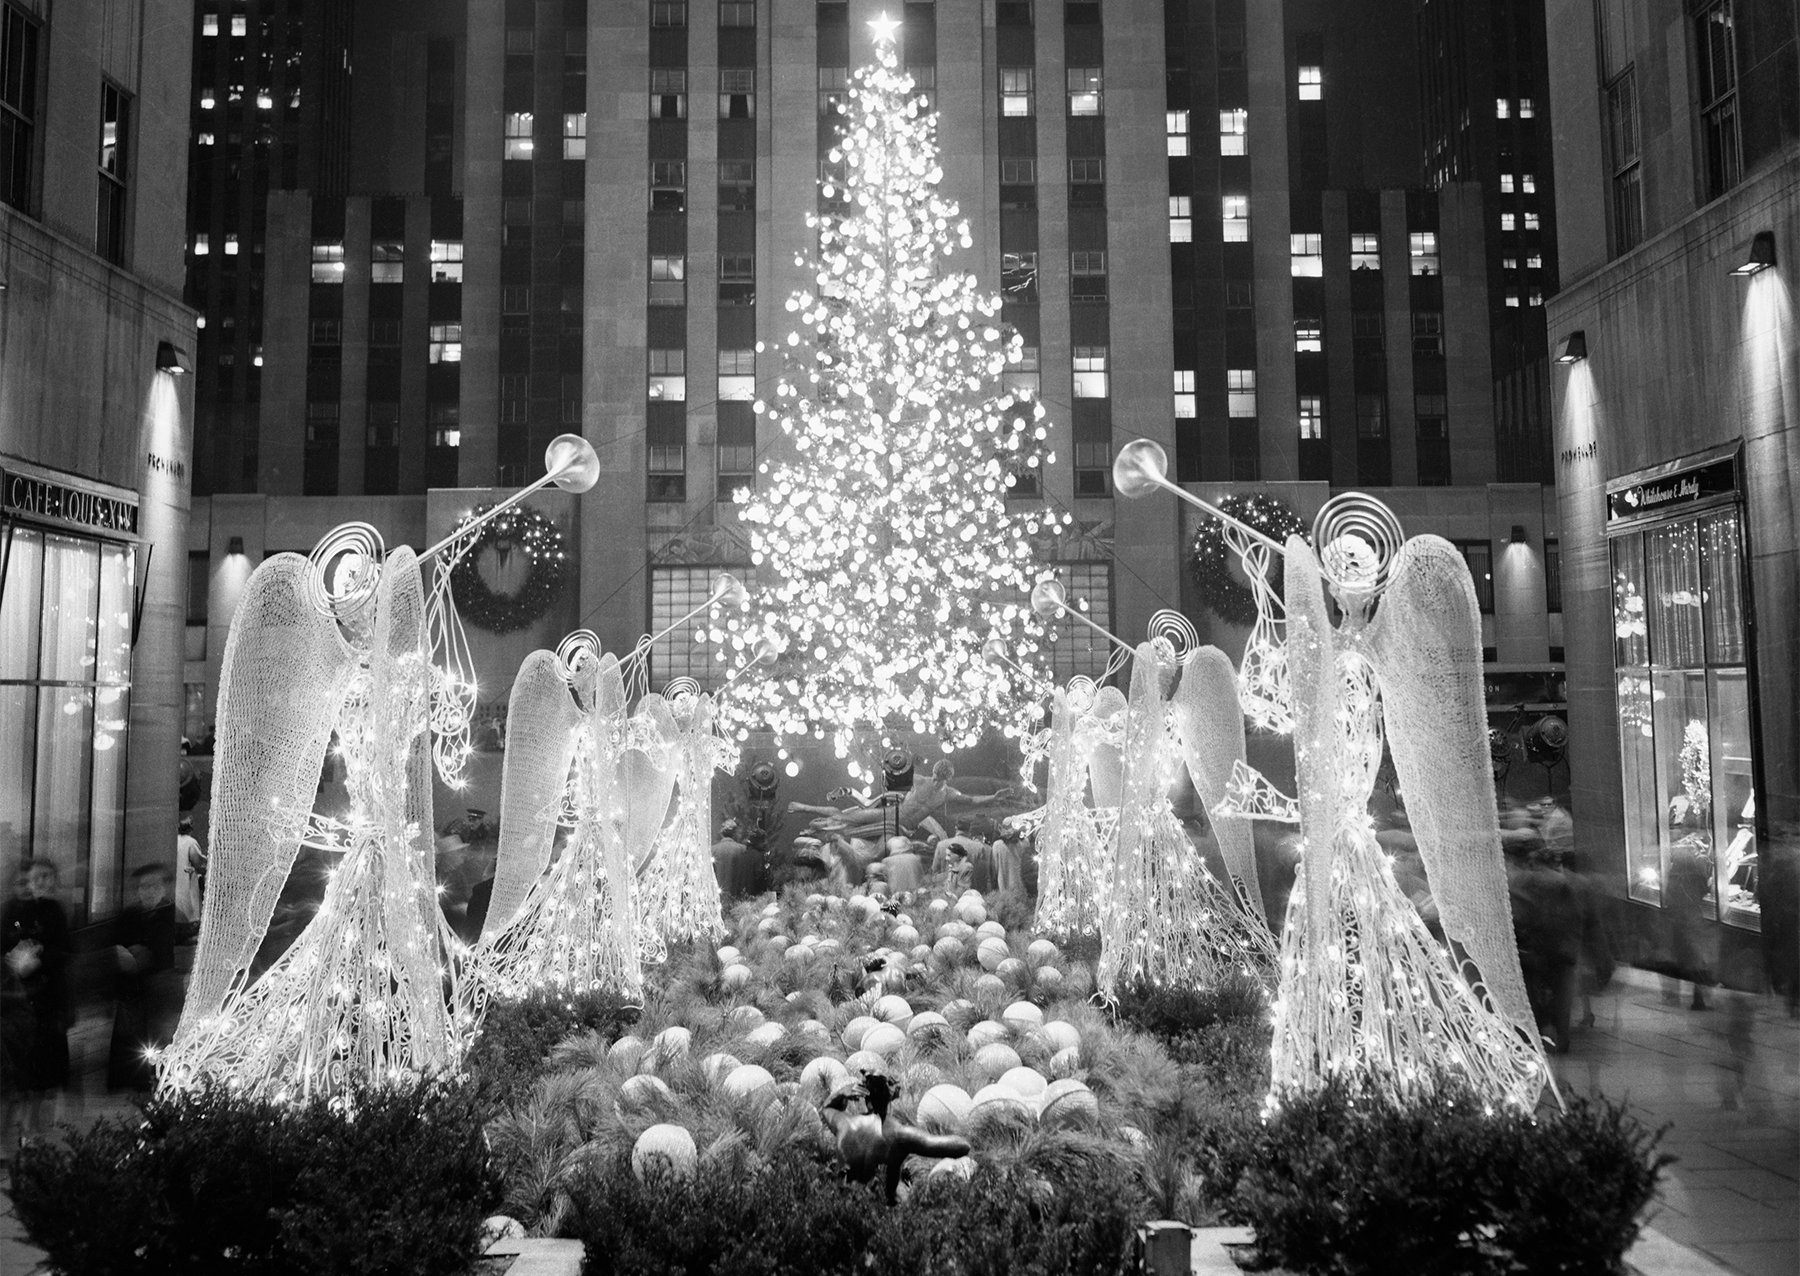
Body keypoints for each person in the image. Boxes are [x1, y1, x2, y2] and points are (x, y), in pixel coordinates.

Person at [2, 860, 71, 1141]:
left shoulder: (54, 911)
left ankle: (35, 1126)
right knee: (22, 1064)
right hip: (18, 999)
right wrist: (15, 958)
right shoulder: (15, 910)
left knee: (44, 1065)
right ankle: (22, 1127)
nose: (38, 883)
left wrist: (37, 961)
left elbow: (62, 950)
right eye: (34, 878)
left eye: (45, 877)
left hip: (46, 1000)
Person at [107, 865, 179, 1091]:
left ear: (164, 887)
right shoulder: (129, 915)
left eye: (153, 885)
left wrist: (143, 955)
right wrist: (124, 953)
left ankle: (156, 1079)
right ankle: (131, 1081)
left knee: (156, 1037)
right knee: (131, 1038)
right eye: (143, 886)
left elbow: (166, 950)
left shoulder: (170, 913)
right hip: (132, 986)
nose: (148, 891)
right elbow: (115, 943)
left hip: (158, 986)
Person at [711, 819, 754, 902]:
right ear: (734, 833)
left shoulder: (712, 850)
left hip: (717, 898)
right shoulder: (743, 850)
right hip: (737, 898)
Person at [175, 817, 205, 925]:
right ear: (190, 829)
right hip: (186, 877)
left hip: (176, 876)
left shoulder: (174, 840)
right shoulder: (190, 842)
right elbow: (199, 862)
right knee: (189, 903)